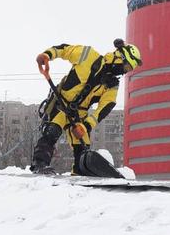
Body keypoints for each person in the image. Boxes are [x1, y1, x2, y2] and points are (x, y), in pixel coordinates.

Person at [31, 38, 142, 175]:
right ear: (119, 57)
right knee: (52, 131)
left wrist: (85, 126)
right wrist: (48, 55)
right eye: (126, 67)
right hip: (61, 103)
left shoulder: (112, 86)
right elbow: (65, 50)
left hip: (79, 114)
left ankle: (79, 173)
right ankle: (40, 165)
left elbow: (103, 109)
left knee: (83, 148)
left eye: (128, 70)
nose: (124, 72)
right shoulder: (88, 55)